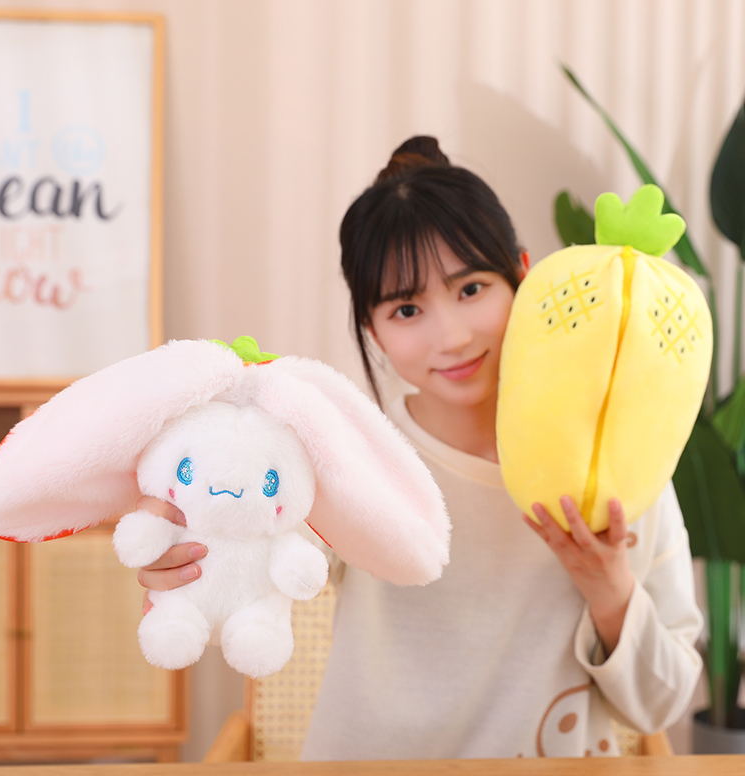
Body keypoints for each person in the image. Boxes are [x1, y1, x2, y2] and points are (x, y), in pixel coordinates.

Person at [136, 136, 702, 759]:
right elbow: (241, 593)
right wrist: (184, 563)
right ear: (372, 329)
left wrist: (611, 591)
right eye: (407, 309)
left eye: (471, 289)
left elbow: (663, 705)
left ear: (523, 276)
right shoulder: (346, 455)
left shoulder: (617, 456)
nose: (451, 337)